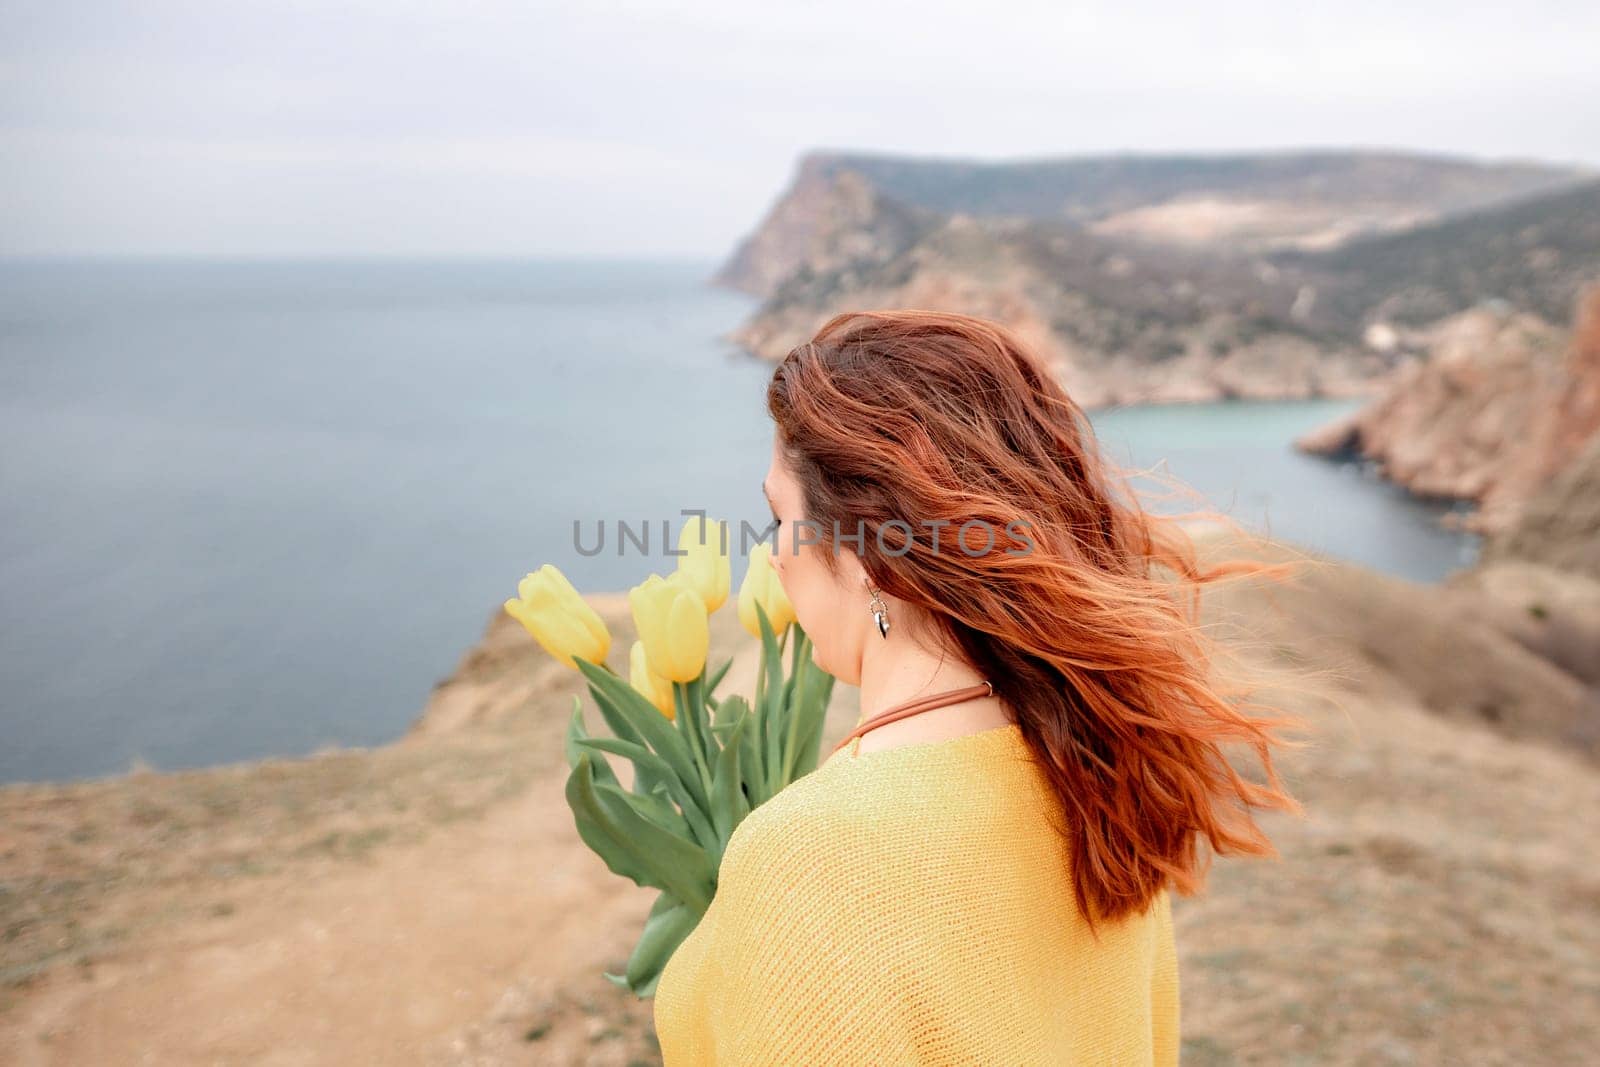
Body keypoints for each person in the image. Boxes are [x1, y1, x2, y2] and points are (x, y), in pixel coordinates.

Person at [652, 309, 1309, 1064]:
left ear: (869, 553)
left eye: (781, 518)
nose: (774, 557)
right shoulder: (1106, 775)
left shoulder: (809, 859)